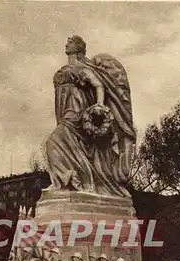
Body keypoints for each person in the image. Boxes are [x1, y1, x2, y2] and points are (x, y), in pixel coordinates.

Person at [45, 36, 136, 197]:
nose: (66, 44)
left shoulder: (82, 67)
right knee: (68, 147)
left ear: (78, 48)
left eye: (71, 42)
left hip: (76, 113)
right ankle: (73, 178)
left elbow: (98, 85)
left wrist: (100, 105)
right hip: (65, 112)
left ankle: (68, 178)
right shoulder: (71, 67)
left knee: (52, 142)